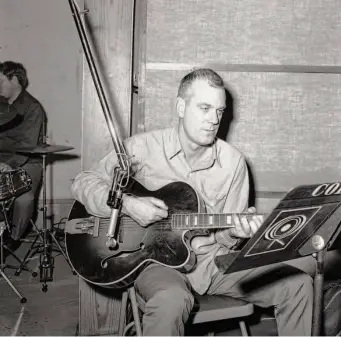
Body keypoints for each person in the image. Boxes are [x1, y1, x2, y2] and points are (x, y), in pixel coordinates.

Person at [71, 68, 313, 336]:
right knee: (172, 299)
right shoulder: (141, 148)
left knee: (297, 283)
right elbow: (83, 182)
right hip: (156, 264)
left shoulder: (233, 163)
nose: (214, 120)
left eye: (219, 111)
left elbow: (226, 239)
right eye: (205, 108)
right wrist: (127, 203)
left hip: (211, 263)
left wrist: (234, 233)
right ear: (181, 107)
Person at [0, 61, 45, 252]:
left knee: (23, 199)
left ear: (15, 80)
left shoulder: (33, 108)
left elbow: (27, 145)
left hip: (27, 162)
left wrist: (7, 164)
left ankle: (12, 239)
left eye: (0, 81)